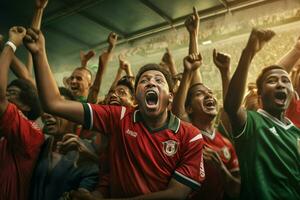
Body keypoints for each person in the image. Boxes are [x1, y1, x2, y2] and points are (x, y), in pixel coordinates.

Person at [24, 27, 205, 199]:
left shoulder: (191, 136)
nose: (151, 83)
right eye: (144, 81)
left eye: (159, 80)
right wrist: (39, 53)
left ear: (170, 97)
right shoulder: (119, 117)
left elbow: (176, 195)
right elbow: (53, 103)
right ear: (138, 96)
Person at [224, 28, 300, 199]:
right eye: (272, 81)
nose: (280, 84)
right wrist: (248, 53)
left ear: (292, 92)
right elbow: (231, 106)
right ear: (259, 97)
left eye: (285, 80)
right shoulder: (252, 122)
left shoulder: (296, 133)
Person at [30, 87, 99, 200]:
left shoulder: (84, 151)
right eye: (45, 109)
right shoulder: (42, 145)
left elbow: (85, 192)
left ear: (72, 117)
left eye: (55, 110)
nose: (46, 114)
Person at [0, 26, 44, 200]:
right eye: (7, 92)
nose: (7, 97)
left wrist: (11, 45)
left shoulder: (32, 133)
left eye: (11, 94)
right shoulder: (6, 134)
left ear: (26, 107)